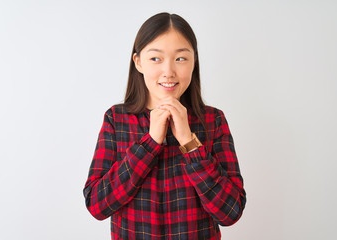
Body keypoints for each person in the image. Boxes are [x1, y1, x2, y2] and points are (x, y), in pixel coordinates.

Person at [83, 12, 246, 240]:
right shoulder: (116, 119)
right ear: (138, 62)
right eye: (155, 58)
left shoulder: (213, 121)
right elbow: (97, 205)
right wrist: (149, 143)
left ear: (194, 62)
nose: (168, 71)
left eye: (180, 58)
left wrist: (189, 142)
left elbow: (231, 212)